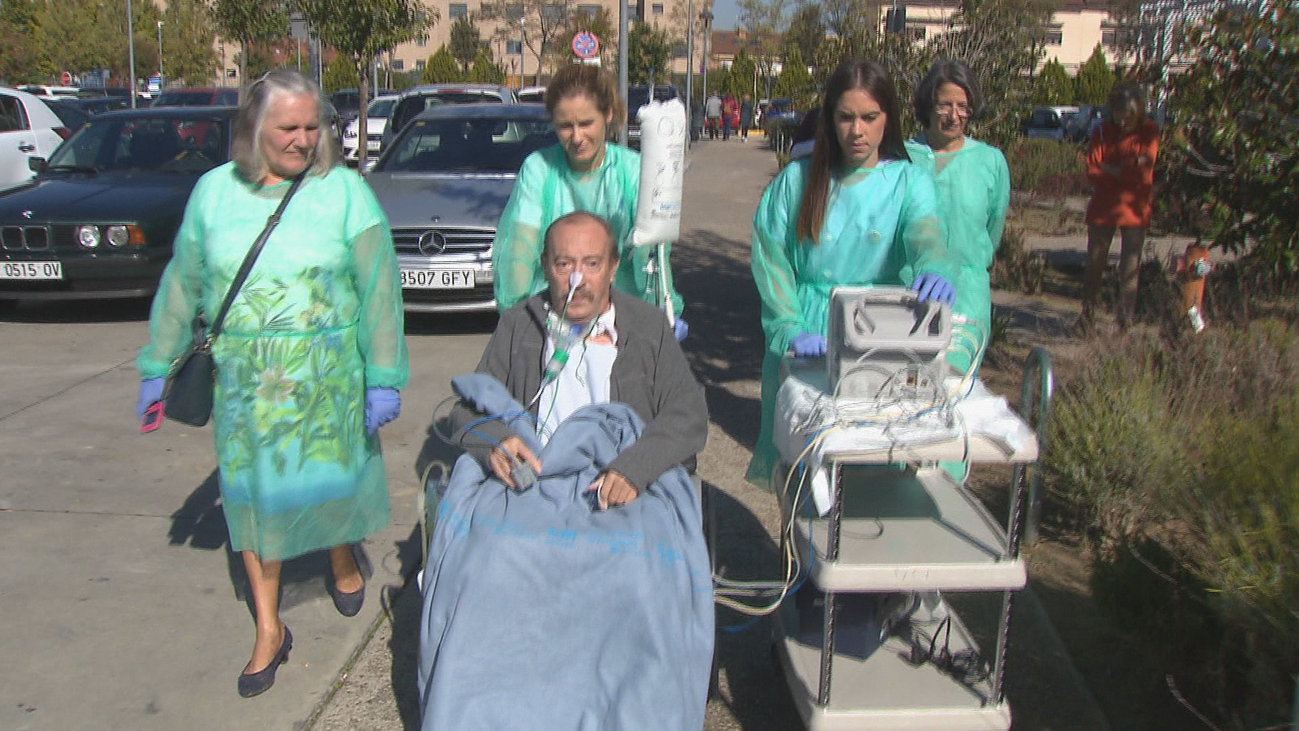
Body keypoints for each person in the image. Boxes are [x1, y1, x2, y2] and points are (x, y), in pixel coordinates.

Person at [134, 69, 409, 699]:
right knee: (254, 505)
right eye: (289, 127)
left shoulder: (344, 193)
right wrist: (157, 363)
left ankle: (341, 555)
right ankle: (268, 628)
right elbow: (184, 281)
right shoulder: (212, 194)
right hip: (246, 390)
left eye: (314, 127)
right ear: (255, 127)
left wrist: (384, 376)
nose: (304, 139)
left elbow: (380, 292)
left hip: (329, 380)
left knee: (329, 486)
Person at [746, 60, 954, 485]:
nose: (856, 130)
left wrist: (932, 263)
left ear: (888, 119)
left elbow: (924, 231)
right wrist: (788, 328)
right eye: (845, 117)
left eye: (869, 117)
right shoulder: (797, 181)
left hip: (879, 334)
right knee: (805, 474)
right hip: (808, 334)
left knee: (877, 460)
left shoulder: (908, 183)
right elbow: (771, 258)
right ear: (829, 119)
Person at [458, 210, 706, 498]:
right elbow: (466, 410)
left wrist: (635, 468)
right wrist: (496, 442)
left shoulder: (647, 327)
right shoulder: (519, 325)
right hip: (534, 490)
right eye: (564, 264)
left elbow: (688, 415)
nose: (577, 280)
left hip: (620, 490)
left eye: (592, 264)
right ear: (545, 267)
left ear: (613, 268)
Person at [492, 64, 687, 339]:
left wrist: (659, 316)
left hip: (620, 324)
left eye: (586, 124)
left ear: (607, 115)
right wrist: (519, 317)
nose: (577, 137)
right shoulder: (539, 169)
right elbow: (519, 251)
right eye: (565, 126)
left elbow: (650, 256)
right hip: (550, 322)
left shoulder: (633, 172)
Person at [905, 60, 1011, 375]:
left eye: (962, 106)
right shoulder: (902, 157)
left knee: (954, 387)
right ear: (928, 105)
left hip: (967, 295)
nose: (954, 115)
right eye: (945, 105)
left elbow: (993, 231)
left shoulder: (989, 162)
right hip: (908, 292)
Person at [1080, 84, 1159, 330]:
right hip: (1104, 205)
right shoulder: (1102, 131)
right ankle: (1087, 316)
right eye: (1119, 115)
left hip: (1135, 207)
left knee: (1130, 266)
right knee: (1095, 262)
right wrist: (1127, 169)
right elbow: (1092, 169)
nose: (1123, 122)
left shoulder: (1149, 131)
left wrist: (1111, 168)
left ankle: (1125, 322)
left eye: (1129, 117)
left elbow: (1144, 172)